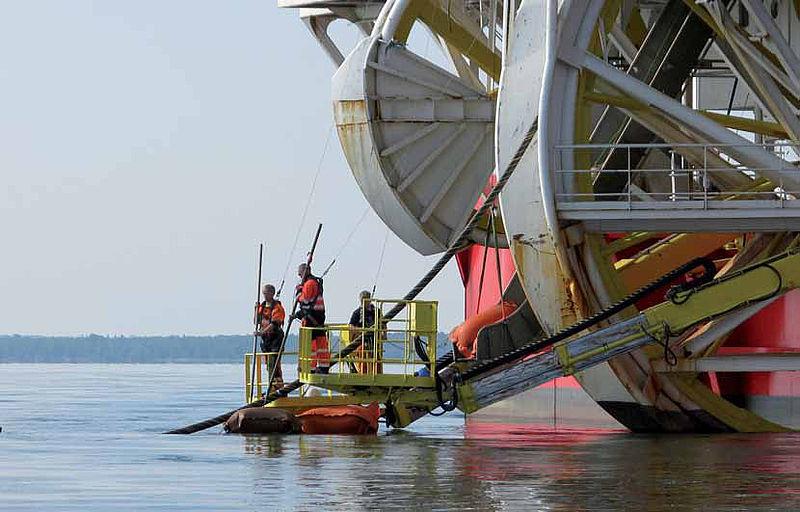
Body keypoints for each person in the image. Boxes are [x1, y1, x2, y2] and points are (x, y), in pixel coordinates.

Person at [294, 263, 330, 373]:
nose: (300, 277)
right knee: (321, 342)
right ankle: (323, 366)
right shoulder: (316, 282)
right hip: (318, 316)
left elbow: (304, 300)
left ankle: (311, 368)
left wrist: (299, 291)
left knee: (310, 344)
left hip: (311, 317)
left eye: (300, 274)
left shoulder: (309, 283)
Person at [255, 284, 285, 391]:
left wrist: (262, 331)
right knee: (268, 363)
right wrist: (256, 310)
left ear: (272, 293)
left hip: (276, 338)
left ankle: (277, 386)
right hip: (266, 339)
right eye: (263, 293)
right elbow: (256, 321)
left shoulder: (277, 307)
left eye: (266, 293)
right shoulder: (262, 307)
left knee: (274, 363)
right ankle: (272, 385)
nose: (264, 295)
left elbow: (274, 324)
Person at [348, 290, 379, 374]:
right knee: (363, 354)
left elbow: (382, 324)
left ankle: (376, 373)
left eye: (366, 299)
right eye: (362, 300)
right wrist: (359, 331)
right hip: (361, 341)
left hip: (374, 341)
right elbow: (351, 325)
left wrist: (383, 333)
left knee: (377, 359)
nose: (364, 302)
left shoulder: (376, 312)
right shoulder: (357, 313)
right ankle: (363, 374)